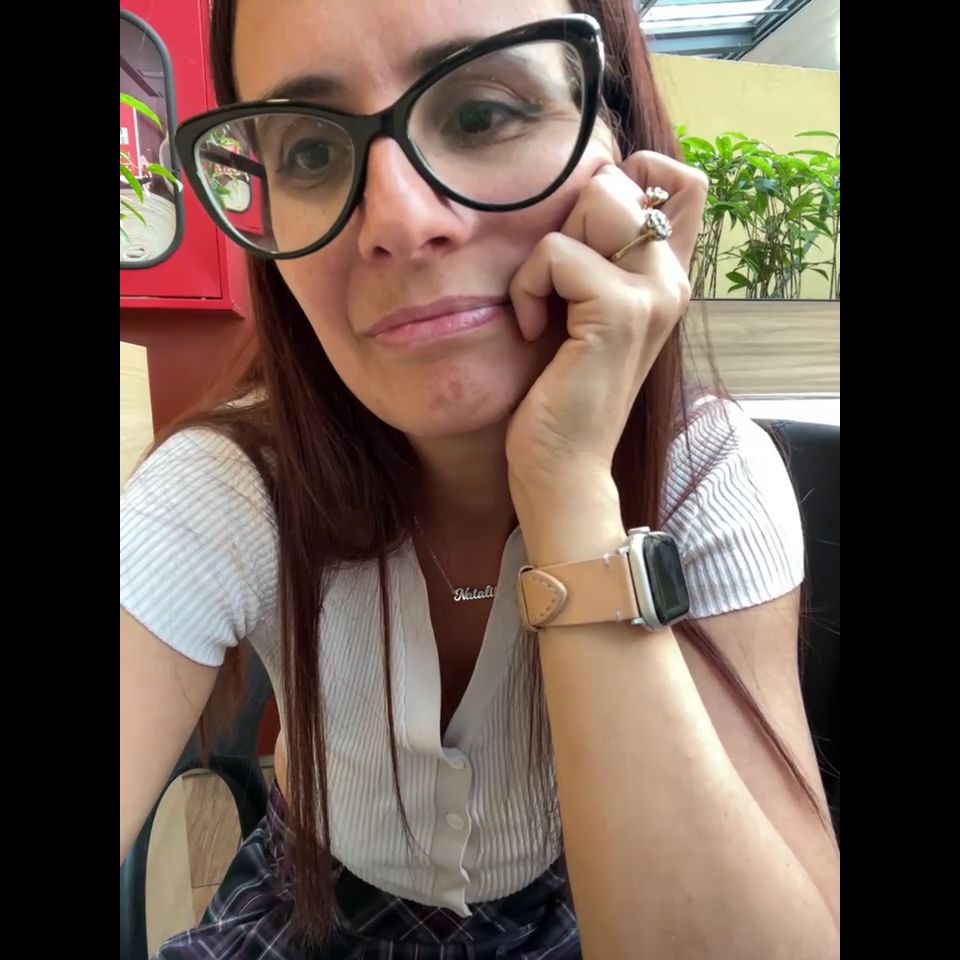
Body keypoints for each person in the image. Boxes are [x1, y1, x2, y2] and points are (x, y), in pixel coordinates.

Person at [120, 1, 840, 957]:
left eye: (482, 114)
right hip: (313, 897)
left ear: (623, 158)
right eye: (310, 151)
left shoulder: (705, 472)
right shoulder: (234, 480)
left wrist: (568, 483)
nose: (400, 221)